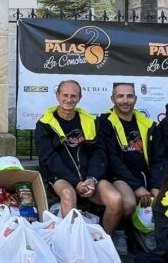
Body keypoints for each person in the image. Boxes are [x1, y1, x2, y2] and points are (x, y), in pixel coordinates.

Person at [34, 80, 124, 239]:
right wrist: (76, 182)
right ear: (57, 96)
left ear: (80, 98)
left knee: (115, 199)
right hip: (61, 177)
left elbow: (100, 154)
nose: (69, 99)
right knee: (68, 194)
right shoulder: (44, 124)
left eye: (73, 96)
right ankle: (72, 243)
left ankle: (104, 240)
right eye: (65, 95)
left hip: (90, 177)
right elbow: (49, 159)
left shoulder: (91, 122)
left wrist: (92, 179)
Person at [99, 82, 157, 217]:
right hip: (118, 176)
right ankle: (121, 232)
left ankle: (146, 231)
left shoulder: (147, 123)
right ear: (113, 99)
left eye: (129, 96)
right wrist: (137, 187)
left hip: (145, 174)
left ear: (135, 99)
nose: (125, 100)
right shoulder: (104, 122)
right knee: (128, 203)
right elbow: (112, 159)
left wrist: (156, 185)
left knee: (164, 197)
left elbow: (158, 157)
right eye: (120, 96)